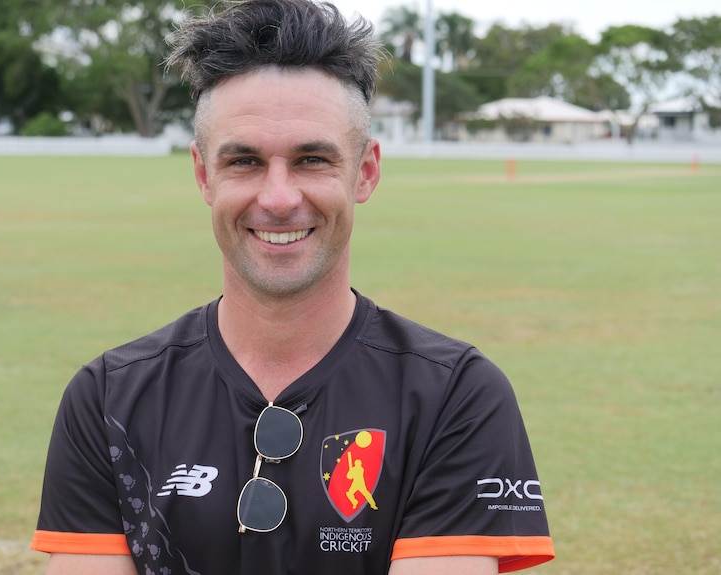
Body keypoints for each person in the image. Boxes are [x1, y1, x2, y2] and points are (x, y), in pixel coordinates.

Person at [30, 0, 555, 573]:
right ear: (204, 175)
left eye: (311, 159)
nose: (278, 199)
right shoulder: (108, 399)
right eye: (245, 162)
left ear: (367, 171)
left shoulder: (456, 395)